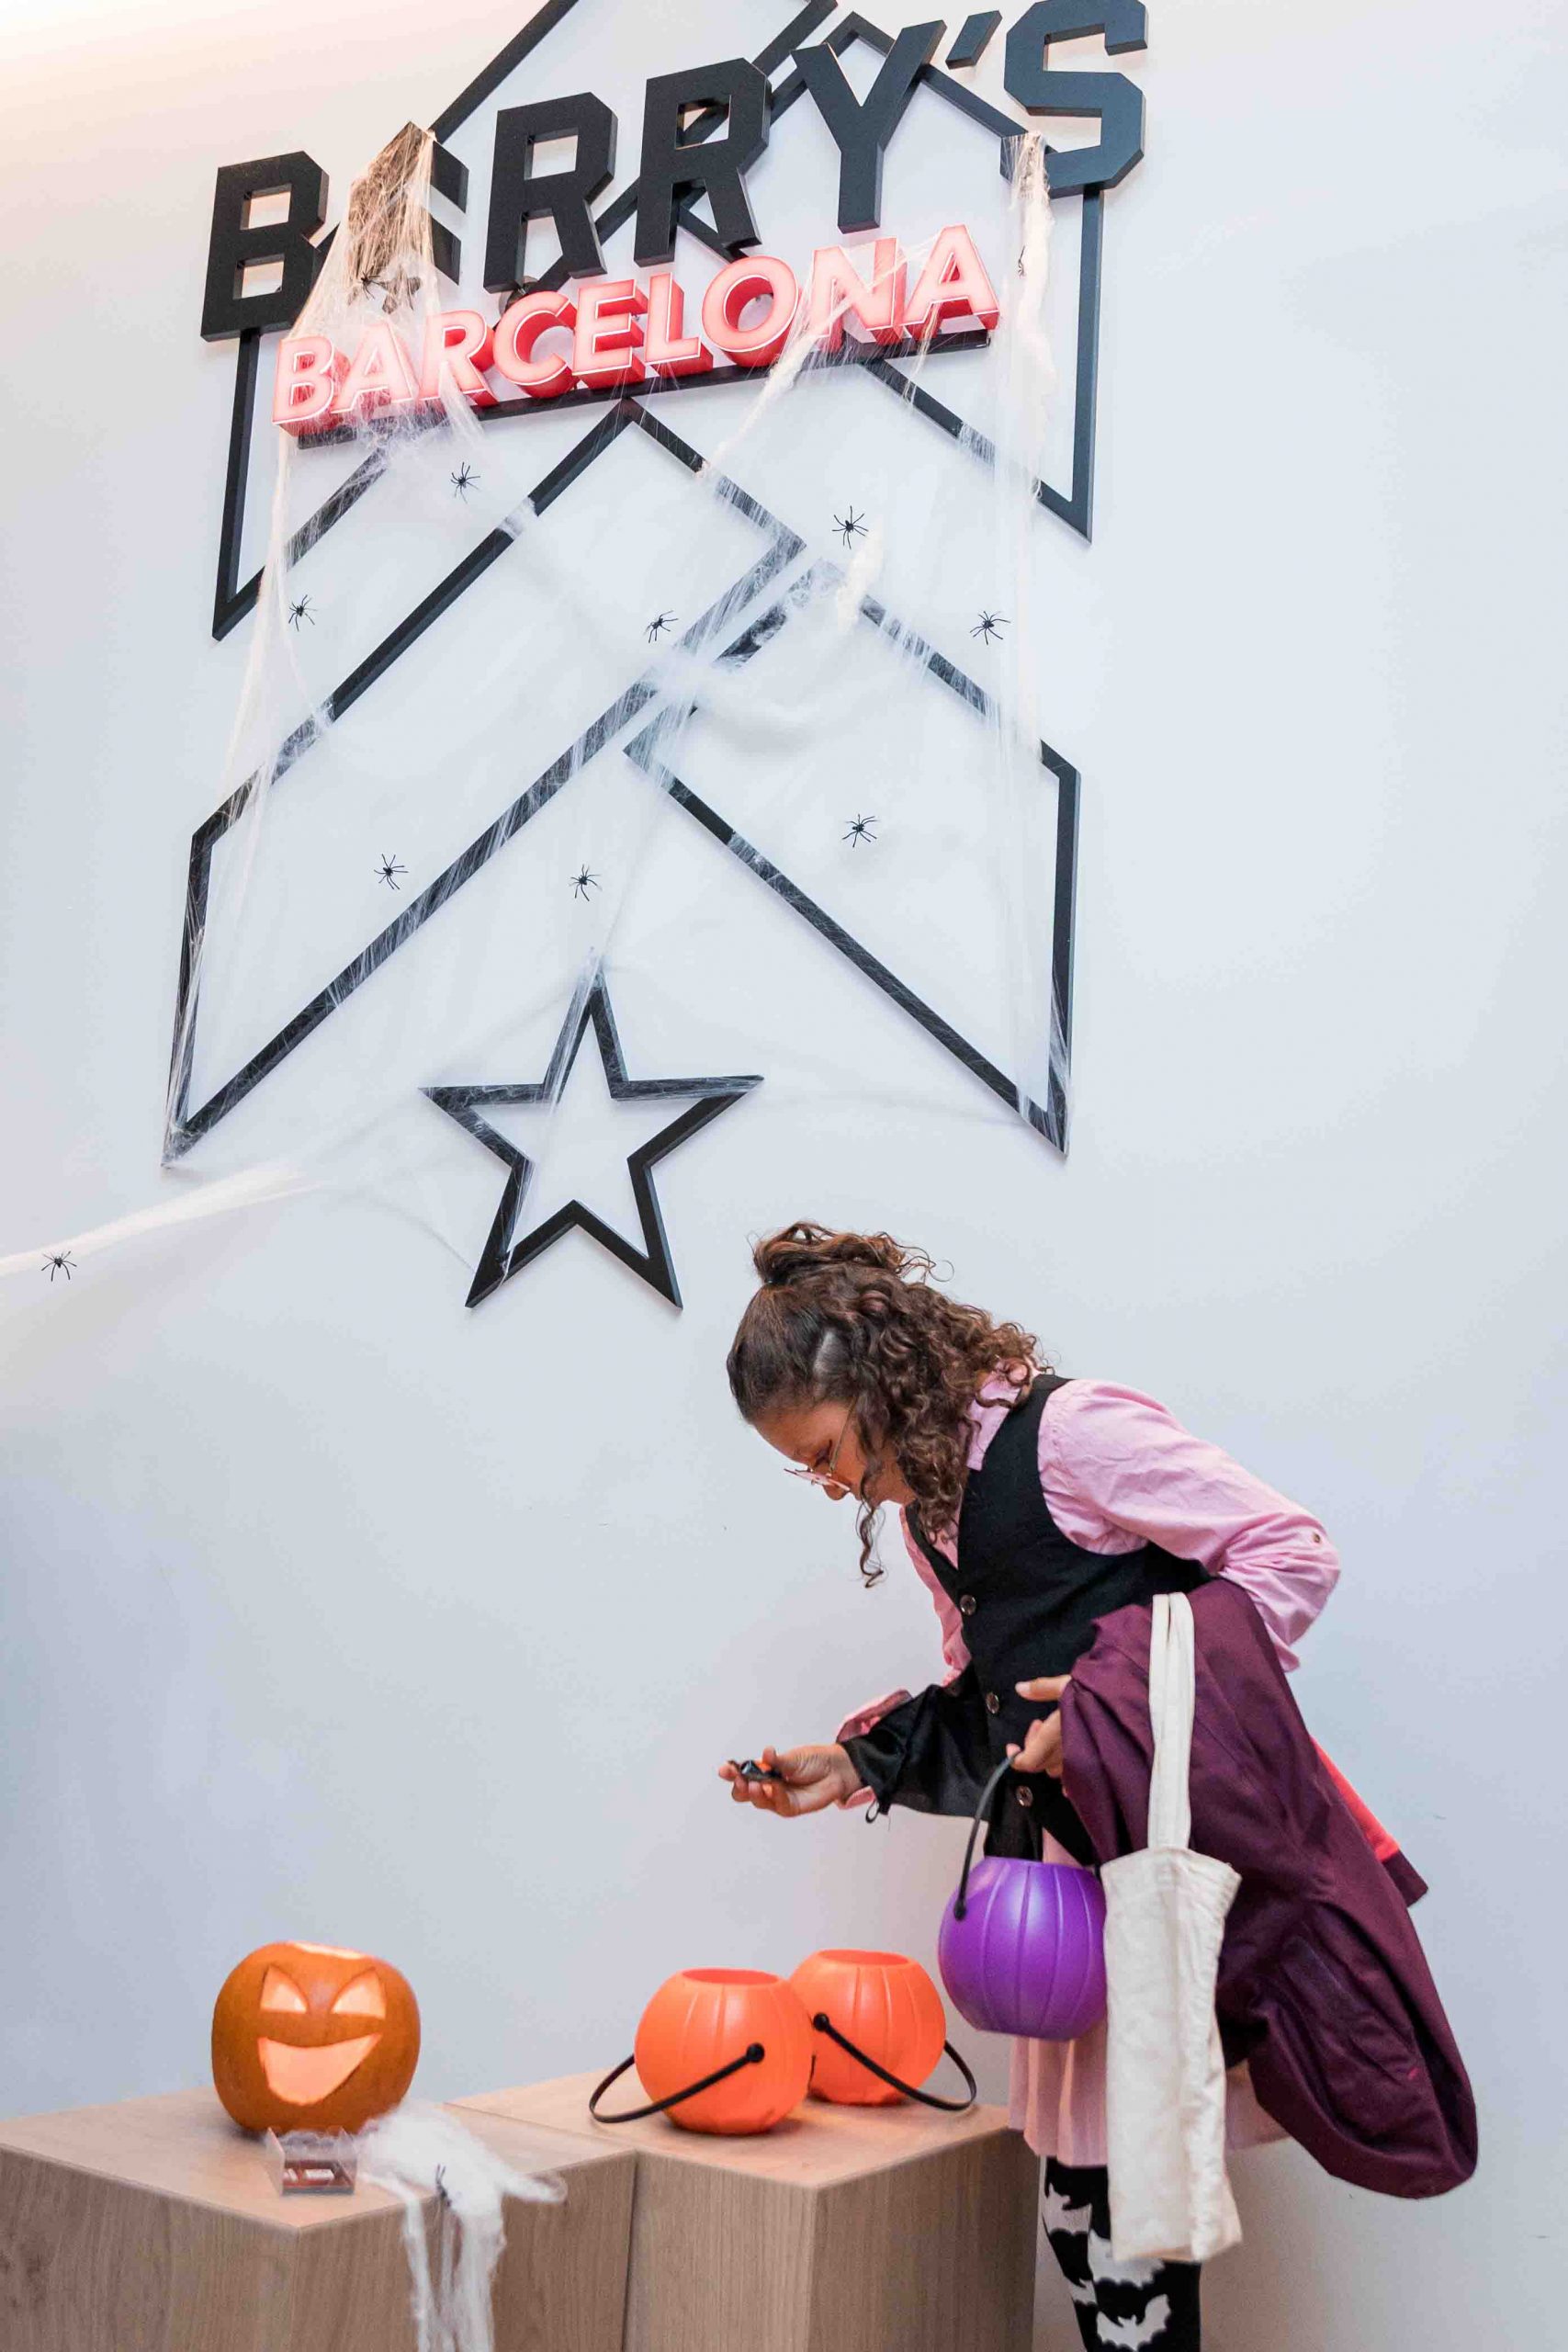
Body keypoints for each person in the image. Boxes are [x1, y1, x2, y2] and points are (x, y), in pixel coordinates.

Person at [718, 1224, 1340, 2352]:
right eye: (808, 1470)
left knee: (1128, 2227)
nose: (832, 1484)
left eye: (826, 1451)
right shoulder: (932, 1520)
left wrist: (1110, 1700)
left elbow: (1291, 1554)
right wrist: (854, 1763)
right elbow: (993, 1706)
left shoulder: (1074, 1432)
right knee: (1081, 2219)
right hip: (1067, 1891)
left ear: (881, 1375)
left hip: (1157, 1870)